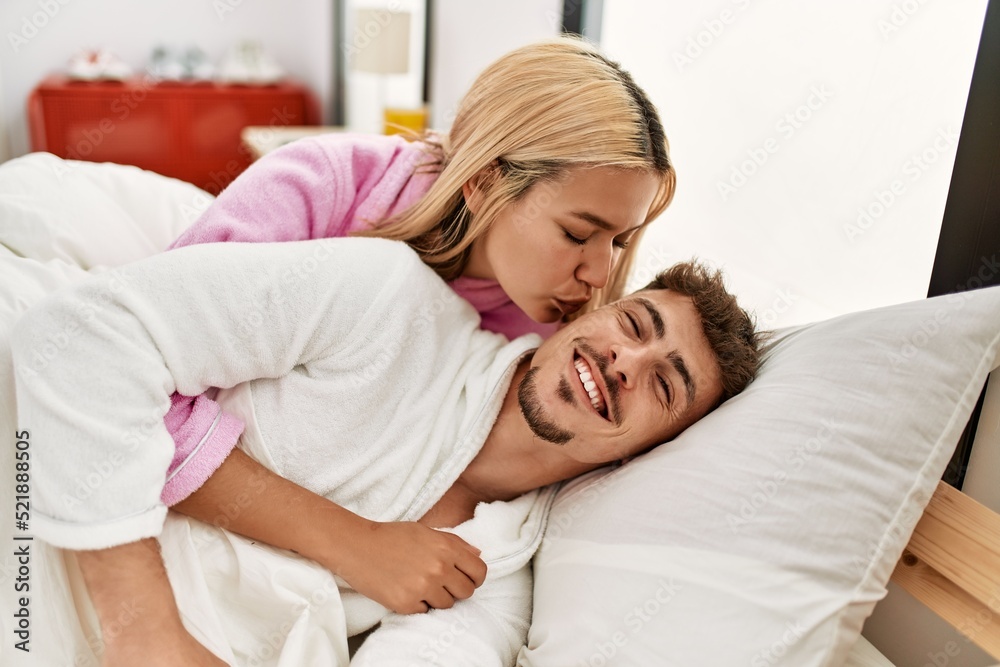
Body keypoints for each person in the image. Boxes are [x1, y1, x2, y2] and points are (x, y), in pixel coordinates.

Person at [12, 236, 761, 666]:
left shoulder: (495, 573)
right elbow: (78, 335)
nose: (626, 362)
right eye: (634, 324)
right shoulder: (388, 302)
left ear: (646, 454)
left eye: (664, 385)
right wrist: (146, 634)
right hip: (36, 511)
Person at [158, 35, 677, 511]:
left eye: (620, 241)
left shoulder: (547, 338)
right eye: (578, 234)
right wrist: (346, 541)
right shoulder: (319, 184)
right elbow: (140, 382)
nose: (598, 275)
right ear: (482, 183)